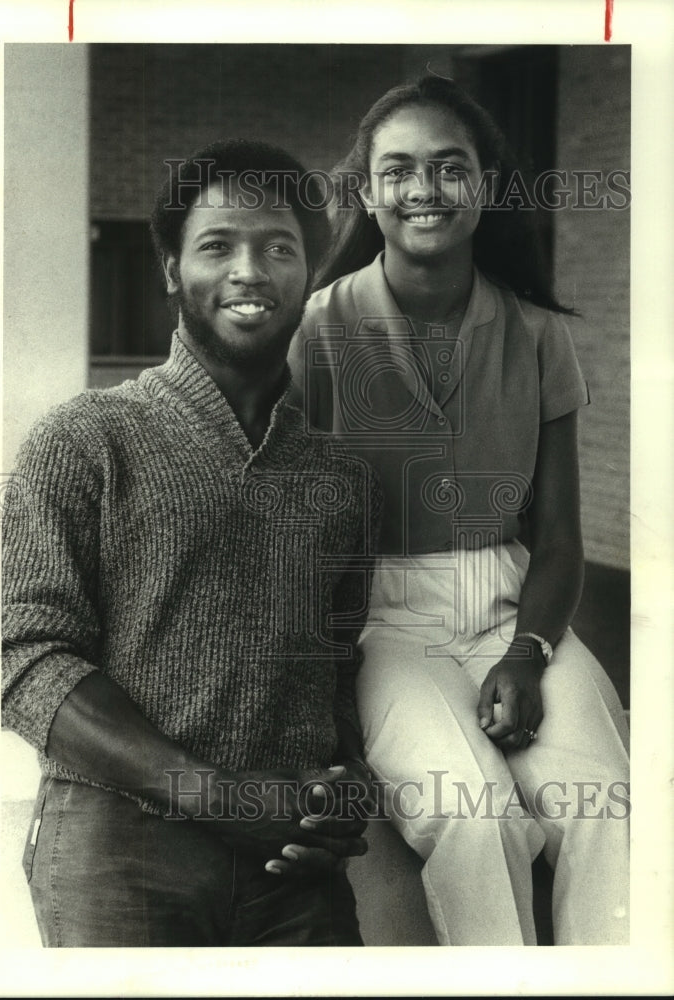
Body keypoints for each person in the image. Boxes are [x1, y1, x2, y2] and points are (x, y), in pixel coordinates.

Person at [1, 138, 382, 948]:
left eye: (280, 247)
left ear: (308, 275)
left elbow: (335, 667)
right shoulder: (84, 438)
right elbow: (30, 665)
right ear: (171, 268)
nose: (251, 270)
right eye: (218, 245)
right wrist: (217, 797)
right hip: (119, 855)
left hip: (293, 873)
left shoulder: (340, 475)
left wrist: (348, 784)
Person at [288, 76, 630, 946]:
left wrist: (528, 652)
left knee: (610, 806)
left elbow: (557, 541)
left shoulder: (538, 334)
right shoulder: (316, 329)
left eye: (449, 167)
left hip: (517, 612)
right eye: (398, 170)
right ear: (368, 190)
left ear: (484, 184)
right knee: (470, 814)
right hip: (380, 623)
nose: (423, 189)